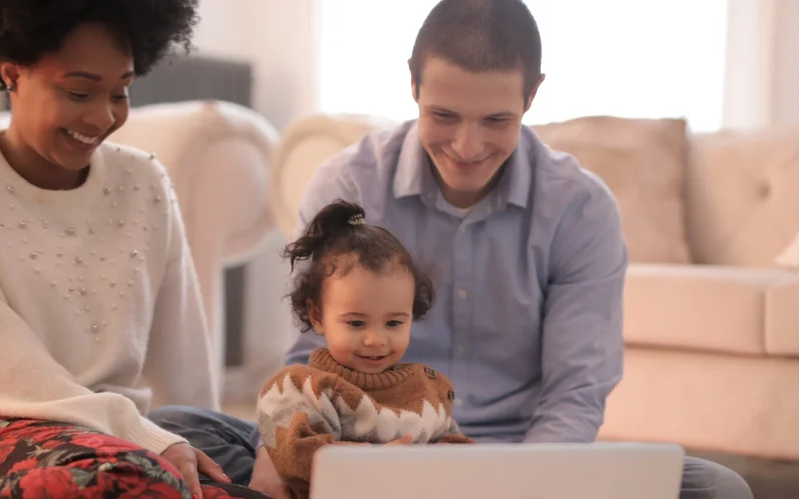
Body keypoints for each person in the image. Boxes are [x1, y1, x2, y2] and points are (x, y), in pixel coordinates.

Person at [154, 1, 753, 498]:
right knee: (173, 429)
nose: (468, 146)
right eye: (443, 114)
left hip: (523, 457)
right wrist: (281, 453)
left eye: (497, 120)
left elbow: (577, 389)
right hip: (360, 456)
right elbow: (314, 350)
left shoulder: (580, 207)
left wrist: (523, 482)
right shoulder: (349, 184)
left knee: (718, 488)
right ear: (411, 83)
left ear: (533, 96)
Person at [0, 1, 267, 497]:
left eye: (120, 92)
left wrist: (190, 450)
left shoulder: (144, 181)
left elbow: (184, 363)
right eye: (78, 91)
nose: (103, 115)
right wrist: (141, 438)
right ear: (13, 73)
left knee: (264, 466)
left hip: (113, 436)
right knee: (128, 481)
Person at [256, 200, 475, 498]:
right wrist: (374, 461)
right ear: (318, 316)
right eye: (356, 324)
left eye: (394, 323)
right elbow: (296, 455)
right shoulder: (298, 386)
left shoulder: (428, 390)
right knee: (193, 424)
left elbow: (458, 451)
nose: (376, 340)